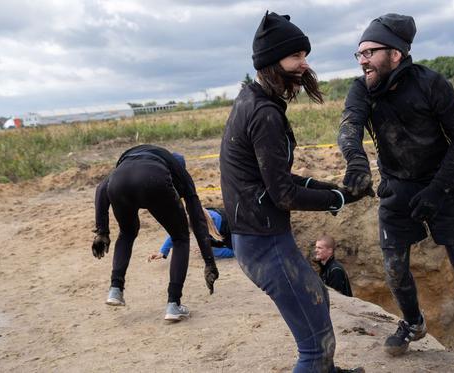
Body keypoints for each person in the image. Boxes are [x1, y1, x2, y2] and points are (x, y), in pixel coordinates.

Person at [337, 13, 454, 363]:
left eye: (369, 52)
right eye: (359, 54)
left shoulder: (431, 84)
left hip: (447, 187)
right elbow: (349, 126)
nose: (362, 60)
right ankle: (413, 323)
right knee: (394, 265)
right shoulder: (362, 88)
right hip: (397, 186)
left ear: (396, 54)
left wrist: (436, 190)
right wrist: (355, 161)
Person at [219, 11, 367, 373]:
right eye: (296, 56)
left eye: (304, 54)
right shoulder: (264, 113)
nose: (304, 64)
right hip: (264, 242)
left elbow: (272, 177)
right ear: (272, 61)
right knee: (314, 349)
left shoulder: (252, 101)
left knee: (318, 307)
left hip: (259, 236)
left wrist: (325, 187)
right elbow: (283, 194)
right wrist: (338, 199)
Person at [91, 144, 219, 321]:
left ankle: (115, 290)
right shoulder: (178, 170)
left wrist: (102, 231)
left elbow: (101, 189)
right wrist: (209, 262)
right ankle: (174, 304)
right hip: (153, 180)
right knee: (180, 237)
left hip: (119, 183)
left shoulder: (131, 160)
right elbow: (197, 218)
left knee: (127, 233)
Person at [149, 207, 234, 261]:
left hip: (232, 232)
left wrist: (212, 251)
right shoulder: (199, 214)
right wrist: (163, 251)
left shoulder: (225, 228)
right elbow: (178, 231)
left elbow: (234, 251)